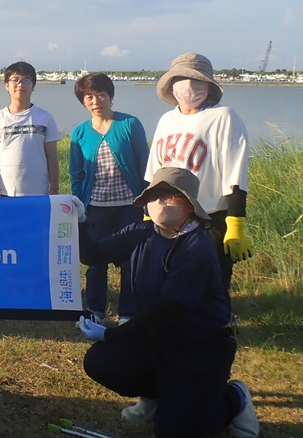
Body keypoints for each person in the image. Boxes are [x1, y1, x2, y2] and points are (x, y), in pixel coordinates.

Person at [75, 167, 259, 438]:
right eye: (156, 194)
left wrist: (111, 334)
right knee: (102, 361)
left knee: (177, 431)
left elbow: (169, 309)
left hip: (200, 346)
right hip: (156, 339)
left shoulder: (198, 247)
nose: (161, 201)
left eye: (171, 195)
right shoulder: (139, 231)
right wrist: (80, 220)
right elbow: (92, 255)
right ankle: (155, 395)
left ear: (189, 205)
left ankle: (233, 398)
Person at [146, 53, 250, 291]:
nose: (189, 87)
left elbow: (235, 174)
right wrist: (147, 216)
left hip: (209, 216)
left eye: (196, 80)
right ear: (172, 87)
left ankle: (219, 325)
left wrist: (235, 223)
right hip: (169, 216)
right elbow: (154, 174)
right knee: (171, 278)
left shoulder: (224, 117)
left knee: (213, 280)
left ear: (208, 86)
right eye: (181, 80)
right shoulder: (166, 120)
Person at [69, 72, 149, 323]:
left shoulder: (130, 124)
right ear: (83, 101)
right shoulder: (79, 133)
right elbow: (77, 173)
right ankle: (96, 310)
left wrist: (148, 202)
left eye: (100, 95)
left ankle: (127, 312)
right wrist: (79, 207)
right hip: (96, 208)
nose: (95, 101)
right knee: (95, 262)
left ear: (110, 96)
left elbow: (144, 164)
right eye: (89, 96)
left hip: (129, 206)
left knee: (130, 262)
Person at [0, 61, 59, 197]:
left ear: (33, 86)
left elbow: (52, 156)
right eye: (15, 80)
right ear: (6, 85)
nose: (20, 84)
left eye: (26, 80)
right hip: (5, 192)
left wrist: (54, 188)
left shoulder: (45, 118)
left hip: (39, 192)